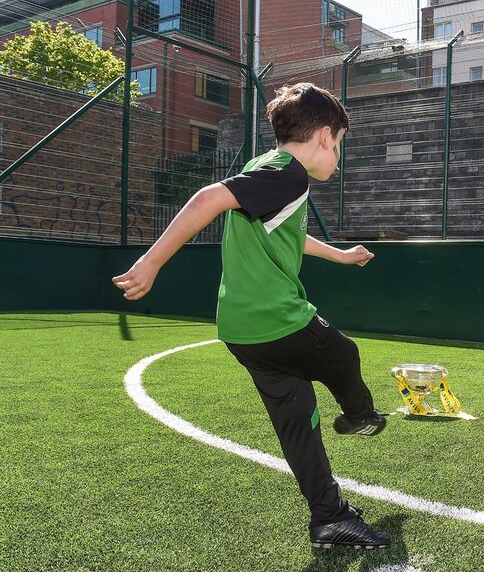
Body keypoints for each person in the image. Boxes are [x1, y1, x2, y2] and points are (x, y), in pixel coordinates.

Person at [111, 83, 390, 550]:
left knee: (298, 420)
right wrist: (152, 261)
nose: (337, 157)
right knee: (342, 353)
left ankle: (330, 518)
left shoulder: (263, 169)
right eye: (338, 146)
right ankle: (360, 415)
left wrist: (341, 256)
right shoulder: (290, 174)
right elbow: (206, 199)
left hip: (242, 332)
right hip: (278, 319)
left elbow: (288, 232)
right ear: (324, 136)